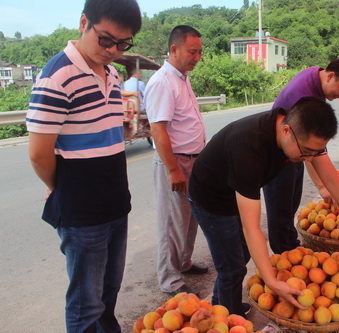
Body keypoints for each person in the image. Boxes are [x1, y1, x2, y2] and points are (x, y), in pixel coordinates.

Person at [26, 0, 141, 331]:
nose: (112, 50)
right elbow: (38, 153)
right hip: (82, 215)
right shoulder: (57, 76)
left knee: (108, 294)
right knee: (85, 305)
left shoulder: (113, 73)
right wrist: (60, 186)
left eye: (123, 43)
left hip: (116, 205)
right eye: (105, 39)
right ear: (83, 23)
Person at [188, 97, 339, 316]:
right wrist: (271, 280)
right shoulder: (250, 146)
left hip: (235, 189)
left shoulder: (301, 133)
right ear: (287, 130)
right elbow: (251, 227)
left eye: (315, 152)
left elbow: (332, 178)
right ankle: (228, 316)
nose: (309, 158)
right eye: (306, 151)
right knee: (231, 265)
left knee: (240, 254)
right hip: (211, 198)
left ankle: (220, 302)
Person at [262, 57, 339, 254]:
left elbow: (310, 151)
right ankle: (285, 255)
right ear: (331, 76)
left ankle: (289, 245)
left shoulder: (316, 75)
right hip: (278, 157)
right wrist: (322, 186)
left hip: (294, 154)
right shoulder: (303, 95)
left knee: (290, 205)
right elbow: (312, 152)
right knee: (281, 211)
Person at [144, 25, 207, 296]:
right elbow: (158, 129)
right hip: (176, 162)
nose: (197, 57)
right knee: (172, 222)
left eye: (199, 52)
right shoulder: (162, 82)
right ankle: (169, 278)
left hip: (193, 160)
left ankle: (184, 262)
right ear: (174, 49)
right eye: (192, 52)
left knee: (189, 217)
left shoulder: (182, 77)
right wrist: (173, 170)